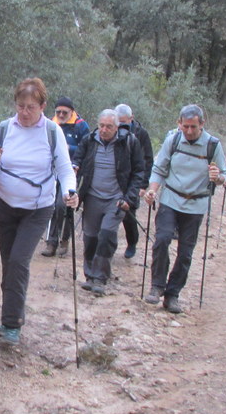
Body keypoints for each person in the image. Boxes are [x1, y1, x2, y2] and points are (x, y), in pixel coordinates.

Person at [0, 78, 78, 344]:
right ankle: (9, 316)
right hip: (6, 206)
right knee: (7, 262)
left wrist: (71, 192)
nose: (24, 112)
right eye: (20, 106)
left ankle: (12, 325)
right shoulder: (3, 129)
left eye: (30, 107)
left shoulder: (51, 132)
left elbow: (65, 169)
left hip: (37, 209)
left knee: (18, 262)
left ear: (43, 106)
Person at [143, 104, 226, 314]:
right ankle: (157, 286)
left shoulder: (213, 146)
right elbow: (159, 168)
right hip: (170, 199)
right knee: (162, 239)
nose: (189, 131)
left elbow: (224, 176)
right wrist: (152, 191)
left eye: (193, 127)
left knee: (185, 253)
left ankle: (172, 295)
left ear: (202, 125)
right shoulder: (173, 140)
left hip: (196, 205)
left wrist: (218, 178)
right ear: (179, 124)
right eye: (185, 126)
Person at [73, 109, 146, 295]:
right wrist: (74, 173)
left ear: (117, 127)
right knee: (90, 237)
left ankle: (100, 278)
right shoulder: (89, 140)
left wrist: (129, 198)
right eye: (101, 126)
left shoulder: (129, 142)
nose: (104, 130)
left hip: (116, 199)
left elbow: (139, 172)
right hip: (92, 197)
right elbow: (77, 160)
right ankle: (89, 275)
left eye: (109, 127)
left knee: (106, 236)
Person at [41, 96, 89, 257]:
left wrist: (71, 150)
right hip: (51, 171)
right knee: (52, 205)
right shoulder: (50, 124)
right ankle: (51, 242)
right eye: (58, 111)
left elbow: (86, 148)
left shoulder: (81, 126)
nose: (61, 115)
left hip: (72, 171)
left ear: (72, 111)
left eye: (64, 112)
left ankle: (65, 239)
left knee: (65, 205)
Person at [114, 103, 153, 259]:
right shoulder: (112, 129)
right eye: (119, 121)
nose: (121, 125)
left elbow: (148, 159)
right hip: (116, 179)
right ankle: (109, 246)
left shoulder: (141, 134)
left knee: (128, 215)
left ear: (131, 118)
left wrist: (143, 184)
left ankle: (132, 243)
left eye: (124, 121)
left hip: (133, 180)